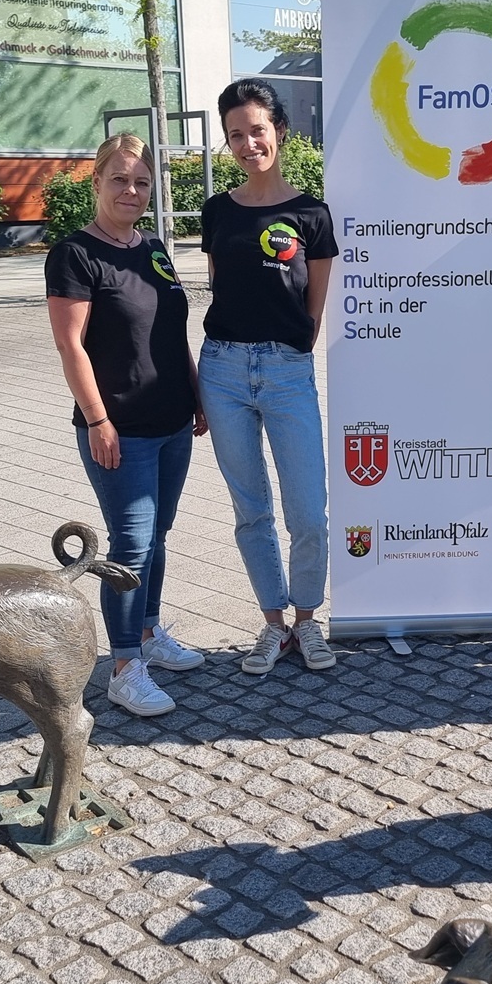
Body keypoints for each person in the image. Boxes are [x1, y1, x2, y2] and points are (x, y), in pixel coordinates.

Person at [46, 133, 207, 717]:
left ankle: (147, 632)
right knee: (132, 546)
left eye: (142, 182)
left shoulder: (154, 248)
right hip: (120, 428)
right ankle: (122, 667)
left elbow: (170, 332)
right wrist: (98, 420)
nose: (131, 191)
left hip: (171, 421)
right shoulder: (74, 254)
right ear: (96, 182)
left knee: (157, 536)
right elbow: (71, 346)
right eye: (119, 179)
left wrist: (196, 396)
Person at [199, 78, 339, 676]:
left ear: (279, 130)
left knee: (308, 511)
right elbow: (220, 287)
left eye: (257, 130)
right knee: (251, 509)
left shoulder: (312, 214)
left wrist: (292, 346)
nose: (248, 143)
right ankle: (274, 624)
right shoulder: (217, 211)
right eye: (235, 134)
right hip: (222, 370)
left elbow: (315, 303)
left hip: (286, 371)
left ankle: (308, 620)